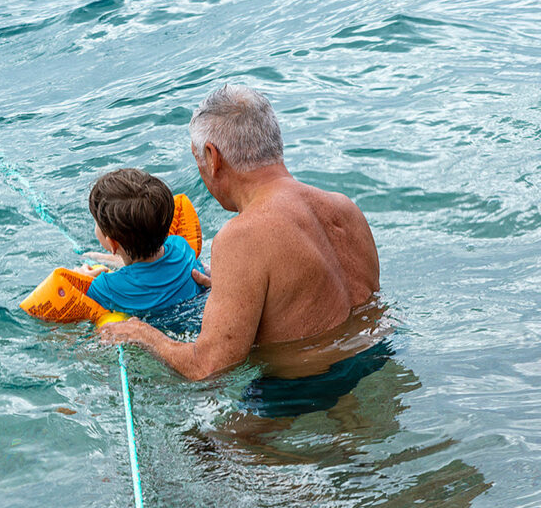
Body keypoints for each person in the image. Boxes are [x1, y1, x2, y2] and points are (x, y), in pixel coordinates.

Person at [100, 85, 380, 380]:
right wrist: (234, 292)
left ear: (212, 157)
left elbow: (207, 368)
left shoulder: (241, 237)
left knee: (197, 429)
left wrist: (144, 333)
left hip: (306, 393)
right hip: (377, 359)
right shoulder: (344, 207)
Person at [75, 168, 206, 315]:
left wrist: (80, 278)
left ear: (112, 243)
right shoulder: (181, 247)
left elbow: (71, 300)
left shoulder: (105, 287)